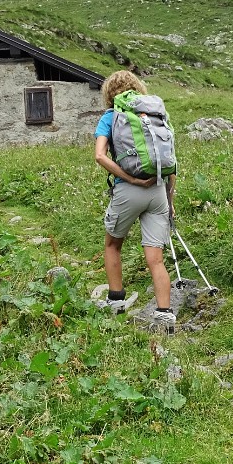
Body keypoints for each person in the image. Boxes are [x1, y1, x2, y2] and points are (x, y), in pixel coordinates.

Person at [94, 70, 175, 331]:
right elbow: (170, 161)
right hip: (159, 189)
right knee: (156, 258)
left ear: (109, 93)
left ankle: (116, 301)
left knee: (112, 244)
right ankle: (164, 316)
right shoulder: (155, 115)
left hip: (129, 191)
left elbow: (100, 156)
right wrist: (169, 200)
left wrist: (131, 180)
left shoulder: (110, 117)